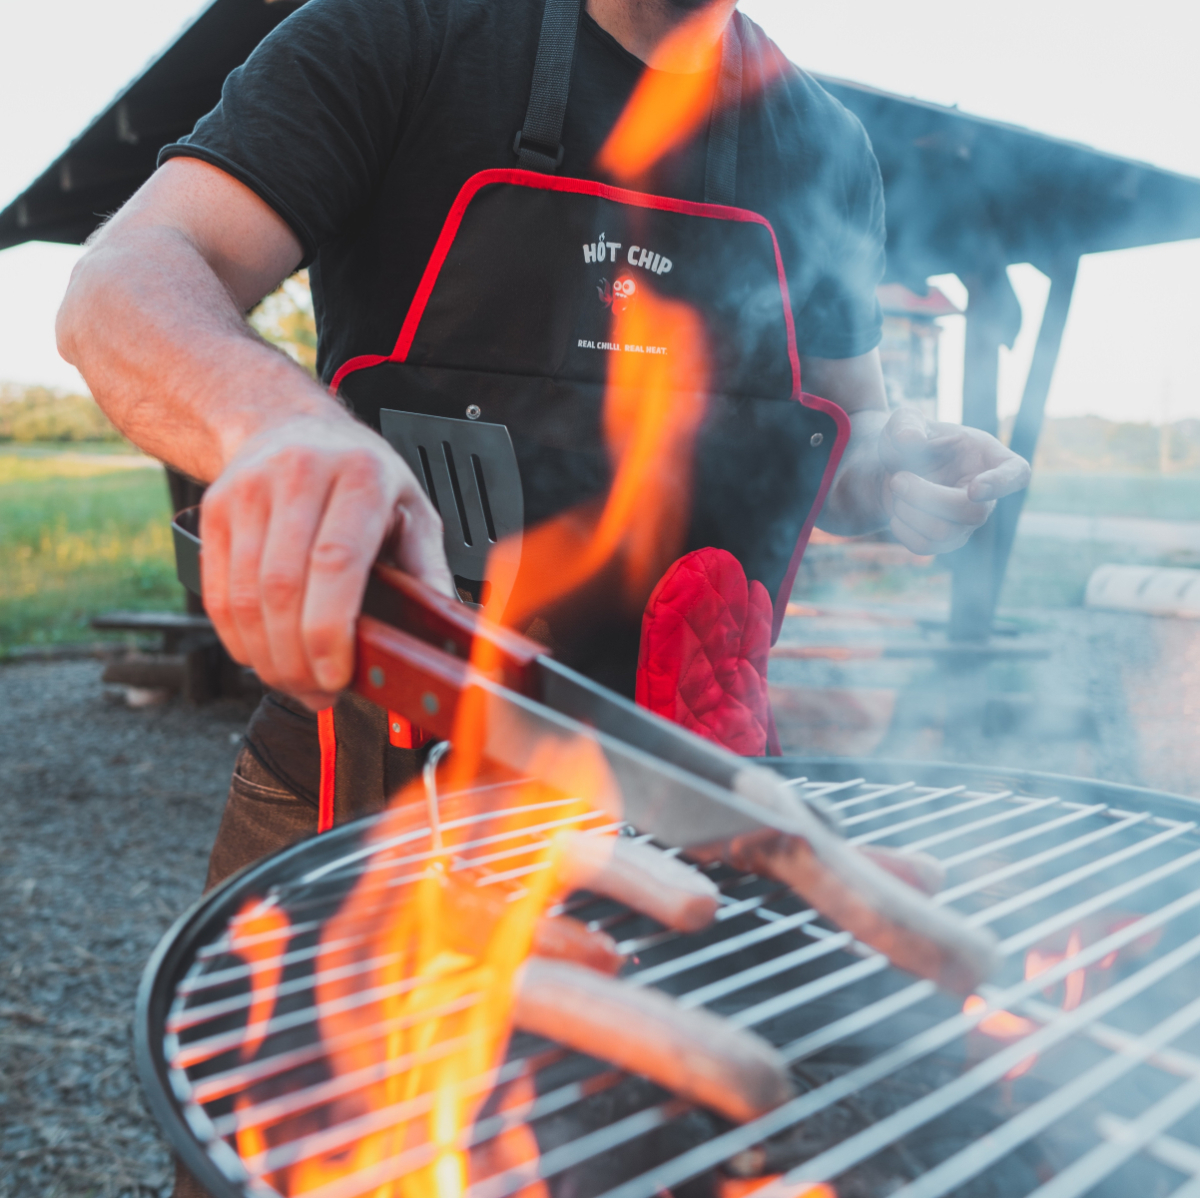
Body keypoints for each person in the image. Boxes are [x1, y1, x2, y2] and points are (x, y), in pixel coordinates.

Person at [57, 1, 1027, 1187]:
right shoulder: (396, 35)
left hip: (680, 834)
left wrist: (890, 472)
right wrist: (273, 429)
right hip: (365, 808)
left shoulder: (817, 142)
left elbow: (844, 421)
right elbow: (124, 280)